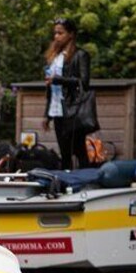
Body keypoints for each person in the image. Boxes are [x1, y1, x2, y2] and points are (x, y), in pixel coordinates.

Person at [42, 17, 92, 170]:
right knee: (64, 151)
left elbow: (83, 82)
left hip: (73, 108)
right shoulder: (54, 57)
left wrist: (59, 80)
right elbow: (50, 88)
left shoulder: (80, 55)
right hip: (57, 109)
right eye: (55, 33)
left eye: (60, 33)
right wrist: (47, 114)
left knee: (78, 149)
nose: (56, 37)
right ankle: (66, 183)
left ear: (70, 34)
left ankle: (84, 180)